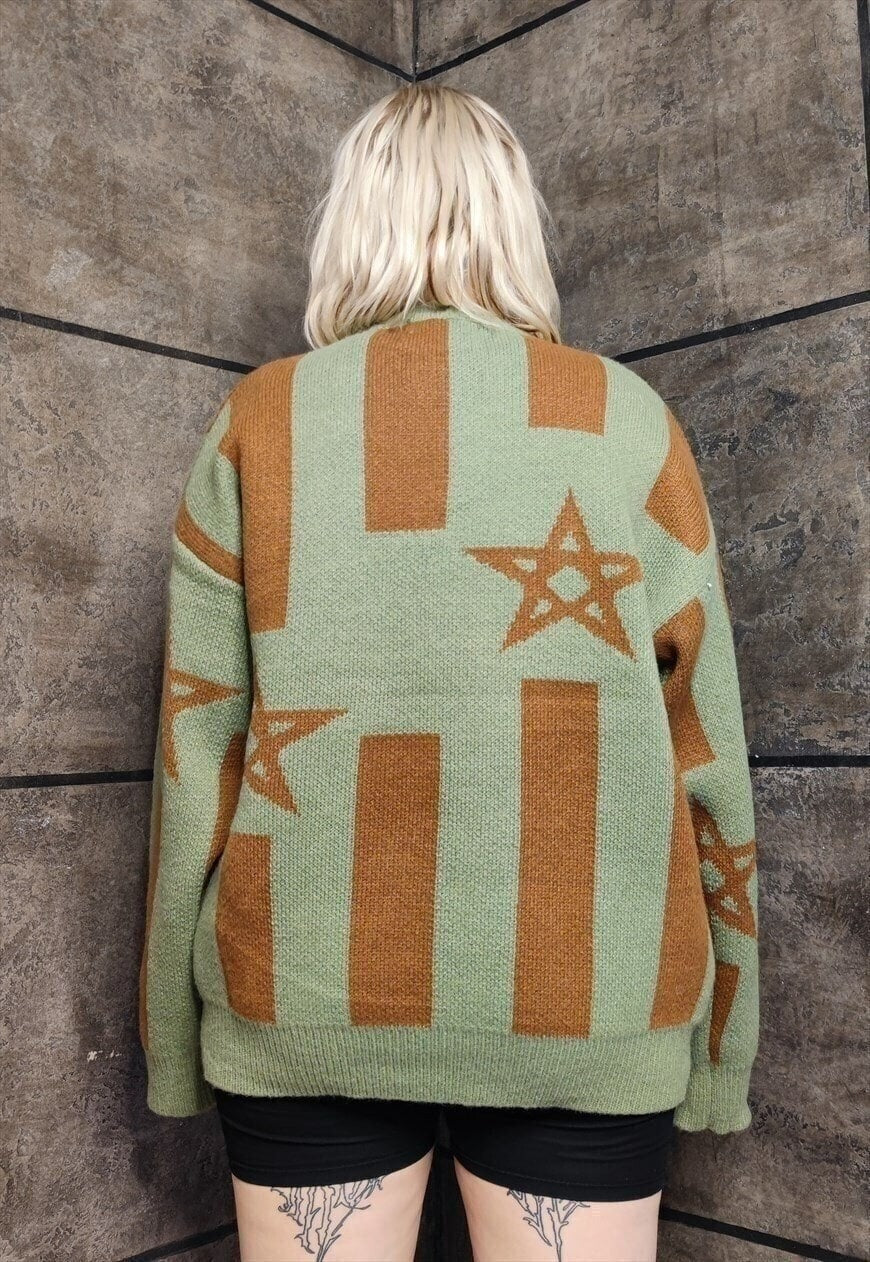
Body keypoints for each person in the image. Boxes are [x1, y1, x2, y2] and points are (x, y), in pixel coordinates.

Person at [138, 84, 760, 1262]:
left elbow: (194, 752)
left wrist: (173, 1036)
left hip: (302, 996)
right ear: (513, 223)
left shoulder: (259, 422)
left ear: (350, 224)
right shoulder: (629, 420)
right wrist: (724, 1041)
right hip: (590, 1000)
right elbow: (708, 757)